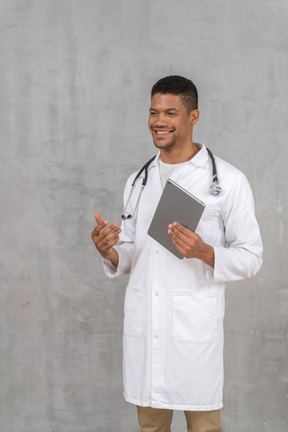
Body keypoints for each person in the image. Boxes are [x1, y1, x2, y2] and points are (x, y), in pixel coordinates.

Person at [91, 75, 263, 432]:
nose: (159, 122)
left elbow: (251, 257)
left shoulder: (227, 181)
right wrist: (110, 252)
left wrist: (206, 252)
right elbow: (133, 254)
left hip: (192, 331)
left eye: (171, 112)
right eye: (154, 112)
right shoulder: (139, 180)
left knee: (204, 427)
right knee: (151, 427)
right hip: (146, 325)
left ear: (193, 117)